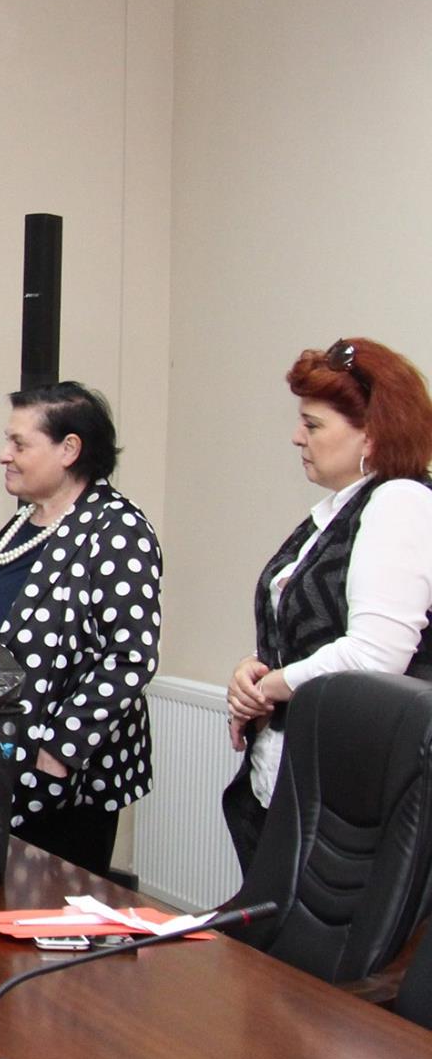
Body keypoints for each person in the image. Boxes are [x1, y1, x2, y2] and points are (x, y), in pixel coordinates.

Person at [0, 382, 160, 877]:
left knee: (37, 916)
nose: (3, 455)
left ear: (69, 449)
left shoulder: (117, 530)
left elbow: (129, 658)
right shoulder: (24, 524)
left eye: (19, 443)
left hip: (56, 785)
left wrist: (57, 753)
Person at [223, 339, 432, 871]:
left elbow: (374, 655)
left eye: (312, 425)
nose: (298, 437)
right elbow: (301, 629)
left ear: (373, 433)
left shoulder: (400, 503)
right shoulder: (338, 512)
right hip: (300, 777)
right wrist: (255, 669)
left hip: (353, 794)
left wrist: (270, 686)